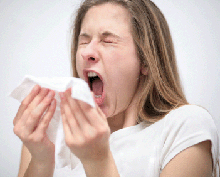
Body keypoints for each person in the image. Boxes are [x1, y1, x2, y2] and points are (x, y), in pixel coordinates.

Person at [13, 0, 219, 176]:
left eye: (108, 40)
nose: (87, 52)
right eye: (84, 41)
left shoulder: (185, 127)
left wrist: (98, 162)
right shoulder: (45, 134)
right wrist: (40, 163)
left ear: (146, 60)